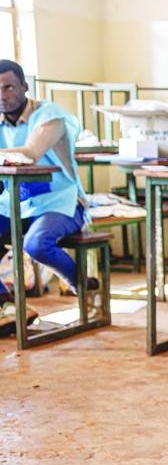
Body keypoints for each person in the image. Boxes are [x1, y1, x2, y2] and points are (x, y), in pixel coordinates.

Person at [0, 59, 90, 335]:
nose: (3, 95)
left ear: (25, 87)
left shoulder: (49, 115)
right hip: (14, 203)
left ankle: (81, 283)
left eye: (9, 87)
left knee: (36, 244)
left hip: (59, 202)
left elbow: (29, 154)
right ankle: (8, 306)